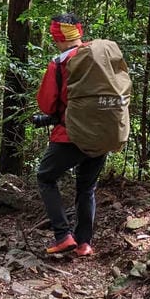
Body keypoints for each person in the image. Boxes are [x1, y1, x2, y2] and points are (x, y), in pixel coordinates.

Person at [34, 13, 105, 257]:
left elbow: (47, 104)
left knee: (45, 177)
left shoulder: (61, 62)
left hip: (71, 135)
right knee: (86, 188)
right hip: (103, 133)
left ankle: (63, 236)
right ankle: (84, 243)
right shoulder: (98, 56)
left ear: (58, 36)